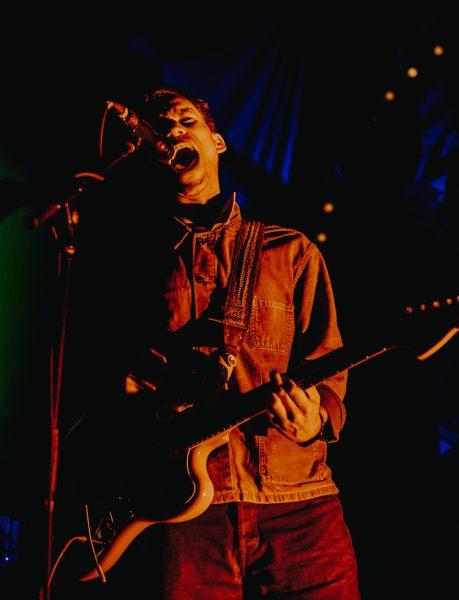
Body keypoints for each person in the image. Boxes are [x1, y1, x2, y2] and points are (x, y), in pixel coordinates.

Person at [62, 86, 360, 599]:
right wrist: (134, 391)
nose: (174, 132)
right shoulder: (125, 265)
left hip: (299, 505)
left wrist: (314, 420)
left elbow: (329, 369)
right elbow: (92, 375)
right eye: (161, 127)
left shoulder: (290, 252)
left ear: (217, 142)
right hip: (180, 515)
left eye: (186, 121)